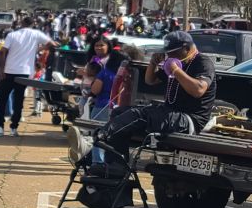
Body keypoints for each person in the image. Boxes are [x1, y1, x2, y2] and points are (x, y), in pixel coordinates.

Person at [92, 31, 216, 161]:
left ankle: (100, 136)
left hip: (189, 120)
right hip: (170, 113)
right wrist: (153, 63)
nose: (170, 55)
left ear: (187, 48)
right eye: (168, 52)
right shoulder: (177, 62)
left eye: (174, 52)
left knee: (139, 115)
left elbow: (198, 90)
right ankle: (115, 166)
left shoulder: (202, 62)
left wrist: (175, 70)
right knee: (119, 112)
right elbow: (150, 80)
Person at [0, 16, 56, 136]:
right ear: (33, 24)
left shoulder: (12, 35)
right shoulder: (36, 34)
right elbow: (52, 44)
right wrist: (40, 48)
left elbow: (3, 51)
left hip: (9, 71)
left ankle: (0, 127)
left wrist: (1, 69)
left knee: (3, 99)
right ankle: (13, 128)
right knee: (19, 100)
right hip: (24, 72)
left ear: (21, 23)